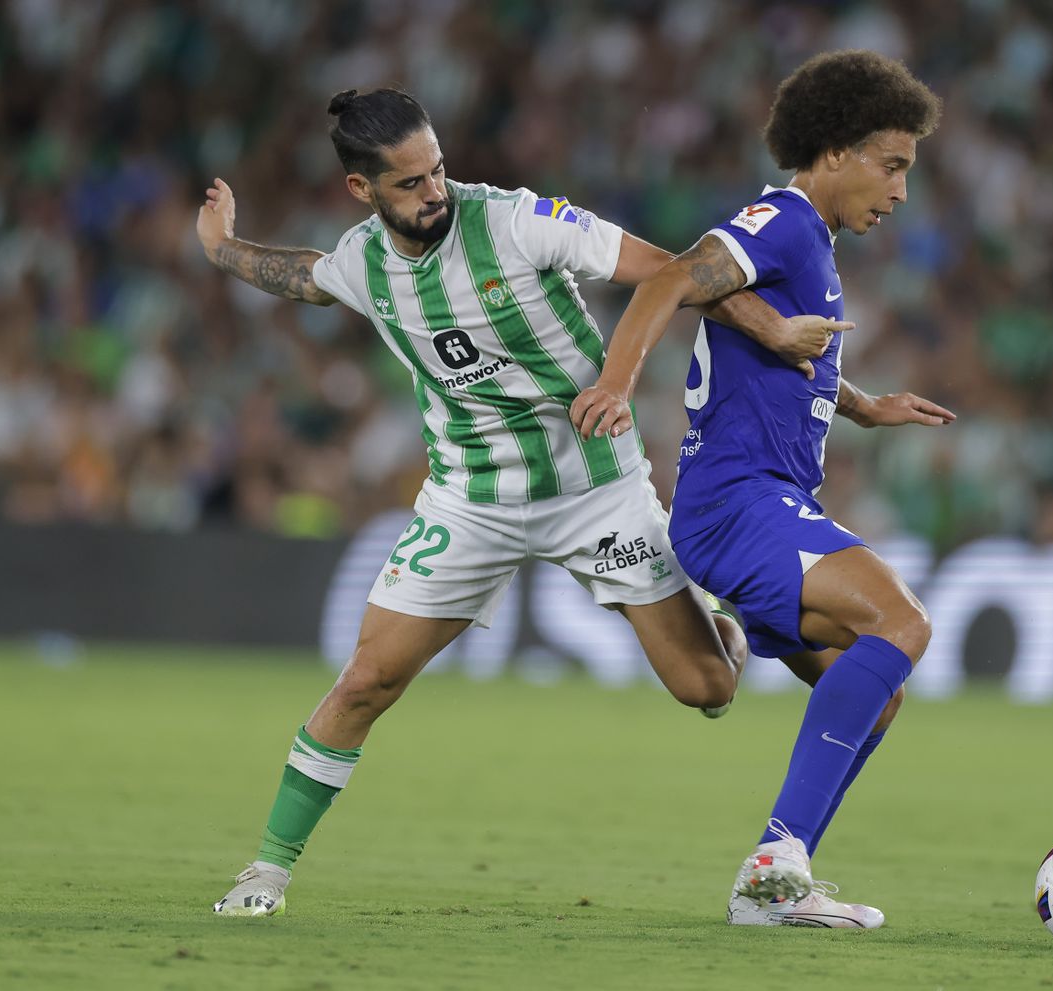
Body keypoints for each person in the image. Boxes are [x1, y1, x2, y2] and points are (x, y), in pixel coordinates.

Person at [196, 87, 849, 917]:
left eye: (437, 170)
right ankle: (266, 871)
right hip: (471, 499)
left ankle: (720, 623)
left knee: (708, 687)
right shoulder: (363, 263)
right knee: (365, 681)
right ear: (362, 189)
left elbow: (672, 270)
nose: (434, 192)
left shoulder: (516, 221)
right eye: (409, 183)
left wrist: (772, 329)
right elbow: (304, 278)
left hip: (595, 487)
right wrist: (222, 247)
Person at [571, 50, 949, 928]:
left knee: (876, 692)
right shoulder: (782, 220)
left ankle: (773, 889)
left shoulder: (810, 243)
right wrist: (617, 383)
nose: (901, 191)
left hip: (763, 505)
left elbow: (783, 357)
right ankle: (778, 855)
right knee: (903, 622)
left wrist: (864, 406)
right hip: (738, 503)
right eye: (891, 165)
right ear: (836, 151)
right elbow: (672, 277)